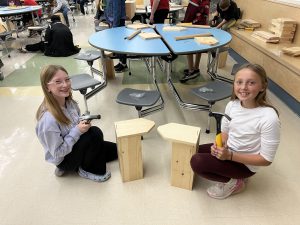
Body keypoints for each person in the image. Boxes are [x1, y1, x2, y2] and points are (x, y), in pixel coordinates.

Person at [190, 63, 280, 199]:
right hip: (230, 150)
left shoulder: (269, 117)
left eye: (251, 83)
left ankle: (234, 182)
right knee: (193, 150)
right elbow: (225, 132)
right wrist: (218, 145)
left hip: (246, 165)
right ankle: (231, 172)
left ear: (263, 86)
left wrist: (230, 156)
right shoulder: (232, 105)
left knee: (197, 162)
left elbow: (266, 159)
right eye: (239, 82)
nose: (243, 87)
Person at [35, 65, 118, 181]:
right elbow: (58, 153)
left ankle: (85, 158)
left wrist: (82, 122)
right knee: (95, 133)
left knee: (118, 150)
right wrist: (77, 130)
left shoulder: (69, 102)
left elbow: (75, 122)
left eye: (67, 79)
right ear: (47, 87)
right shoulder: (48, 120)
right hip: (64, 158)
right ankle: (84, 170)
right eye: (58, 82)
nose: (65, 85)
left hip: (76, 144)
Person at [179, 0, 210, 83]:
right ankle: (196, 68)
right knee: (198, 48)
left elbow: (189, 15)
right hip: (202, 26)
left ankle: (191, 70)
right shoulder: (206, 1)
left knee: (189, 48)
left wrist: (183, 24)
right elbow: (206, 14)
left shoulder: (194, 1)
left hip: (192, 27)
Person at [104, 0, 128, 73]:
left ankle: (123, 64)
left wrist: (115, 26)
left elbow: (117, 9)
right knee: (119, 44)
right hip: (115, 20)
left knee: (120, 44)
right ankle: (122, 62)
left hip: (117, 21)